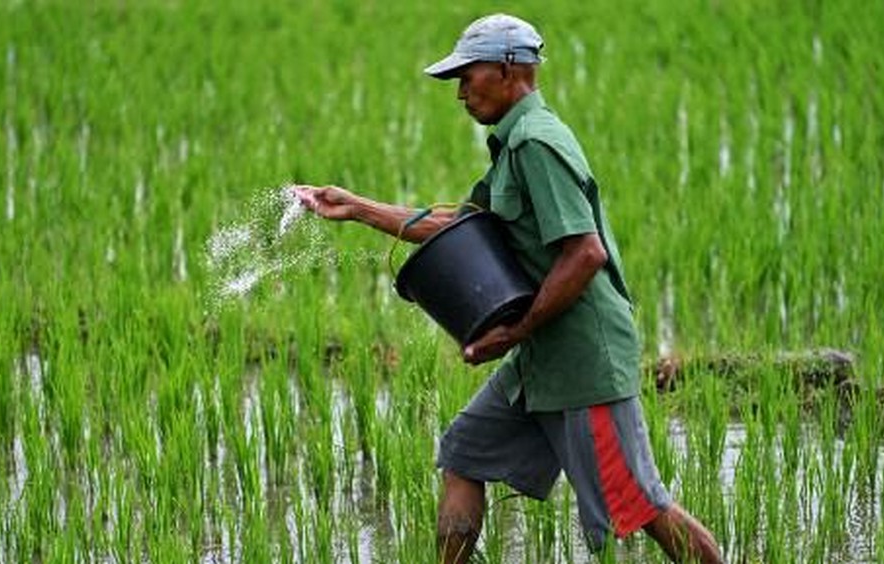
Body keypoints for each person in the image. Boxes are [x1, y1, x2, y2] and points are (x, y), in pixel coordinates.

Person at [296, 13, 723, 564]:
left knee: (640, 503)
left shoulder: (538, 144)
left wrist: (513, 332)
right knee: (465, 452)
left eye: (466, 76)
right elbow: (461, 224)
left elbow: (584, 253)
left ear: (507, 69)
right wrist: (357, 207)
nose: (460, 94)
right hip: (541, 357)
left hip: (583, 360)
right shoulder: (515, 144)